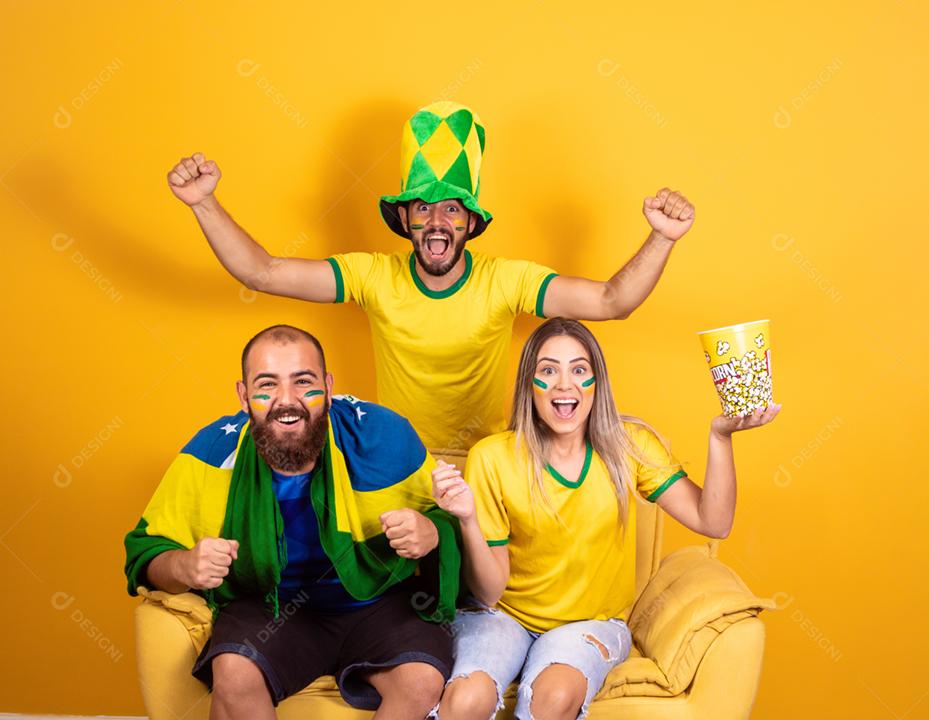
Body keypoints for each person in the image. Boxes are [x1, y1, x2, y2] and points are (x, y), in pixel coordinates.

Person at [166, 101, 696, 455]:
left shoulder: (505, 281)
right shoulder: (373, 275)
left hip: (489, 467)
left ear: (470, 222)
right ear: (405, 218)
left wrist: (663, 237)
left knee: (478, 612)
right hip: (397, 465)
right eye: (423, 208)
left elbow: (611, 301)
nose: (438, 222)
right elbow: (262, 271)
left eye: (452, 210)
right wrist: (204, 203)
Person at [430, 318, 781, 720]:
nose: (565, 385)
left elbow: (714, 523)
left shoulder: (629, 446)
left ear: (597, 382)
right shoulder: (492, 458)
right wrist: (469, 519)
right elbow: (490, 593)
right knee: (465, 701)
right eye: (548, 370)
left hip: (591, 623)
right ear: (530, 383)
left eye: (579, 370)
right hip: (502, 617)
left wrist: (720, 437)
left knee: (554, 697)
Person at [123, 325, 461, 720]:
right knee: (234, 672)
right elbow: (146, 553)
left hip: (376, 603)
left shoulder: (384, 437)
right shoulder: (211, 454)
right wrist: (185, 565)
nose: (287, 401)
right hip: (270, 604)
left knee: (420, 681)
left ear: (329, 386)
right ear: (243, 395)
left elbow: (452, 518)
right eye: (267, 384)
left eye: (304, 382)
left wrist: (431, 532)